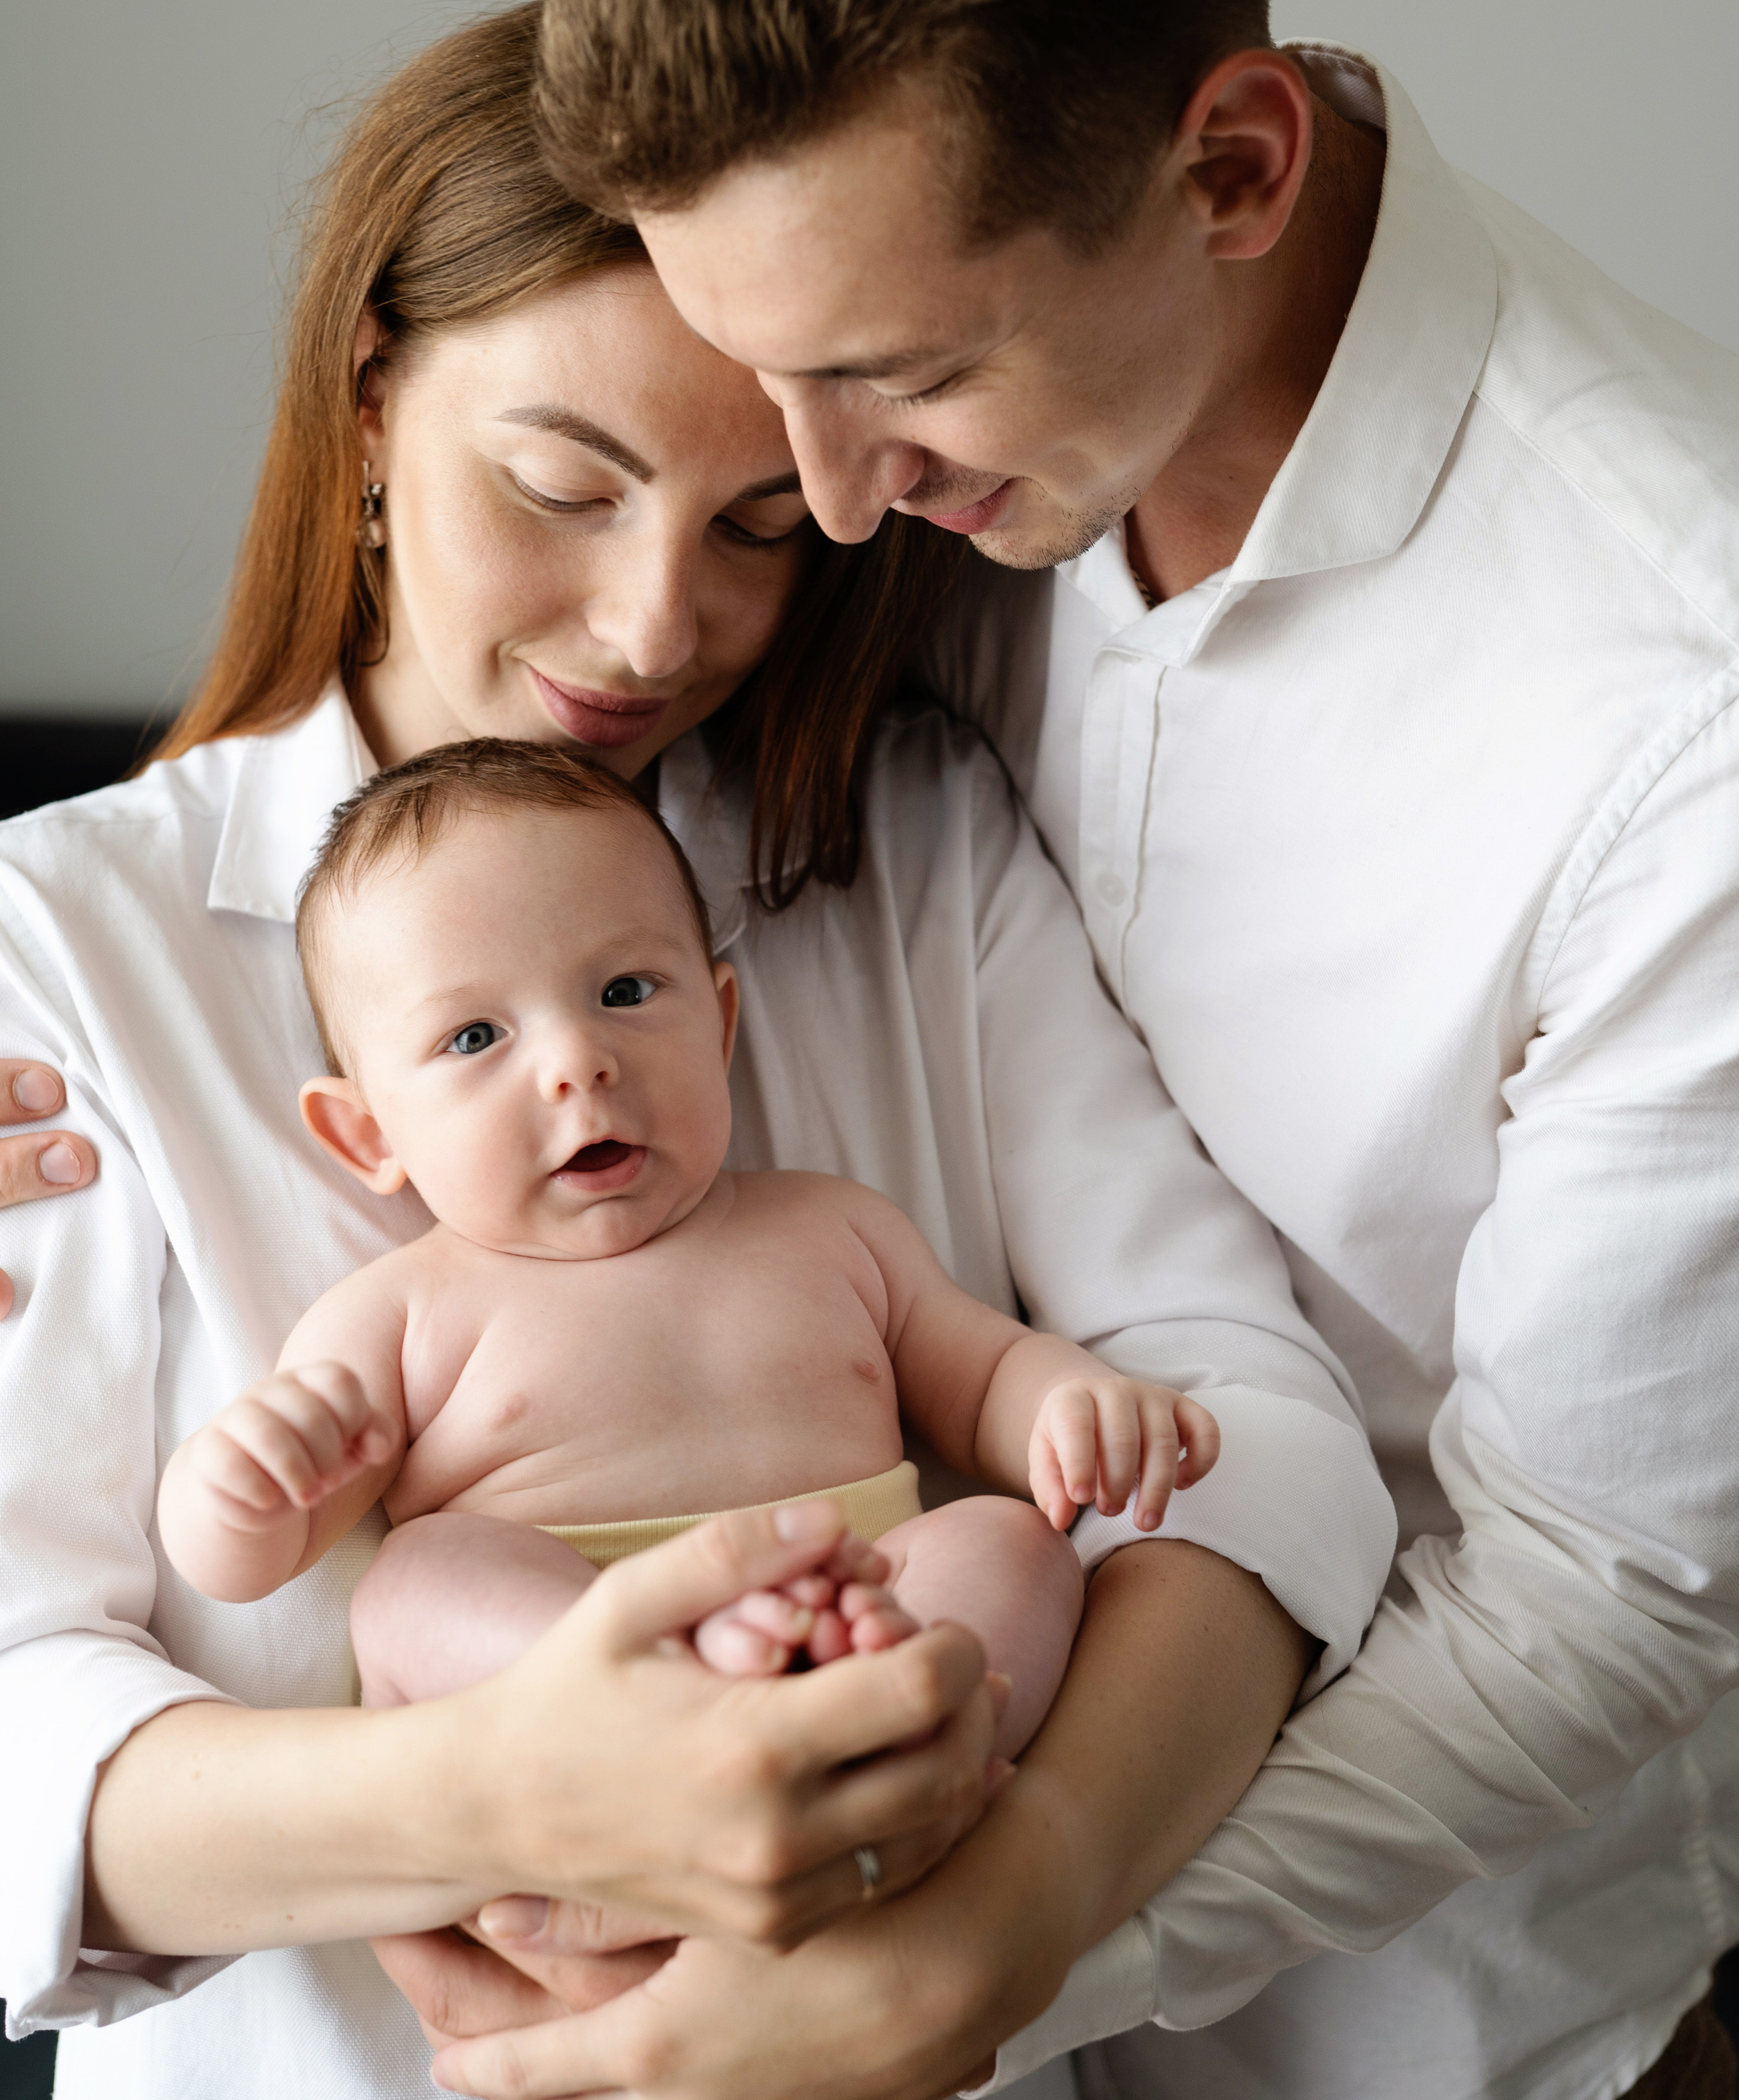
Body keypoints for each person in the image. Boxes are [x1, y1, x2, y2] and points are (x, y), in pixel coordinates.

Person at [493, 0, 1739, 2100]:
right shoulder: (913, 462)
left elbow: (1603, 1585)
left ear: (1231, 164)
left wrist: (995, 1944)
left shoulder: (1705, 694)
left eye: (896, 385)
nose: (822, 511)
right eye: (774, 387)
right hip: (842, 1887)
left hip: (1405, 2038)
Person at [0, 2, 1395, 2100]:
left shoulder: (911, 864)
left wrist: (995, 1924)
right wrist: (473, 1798)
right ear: (367, 401)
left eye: (761, 524)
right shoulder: (73, 949)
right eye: (560, 482)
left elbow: (1250, 1441)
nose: (661, 629)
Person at [163, 736, 1216, 1755]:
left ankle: (905, 1736)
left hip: (848, 1603)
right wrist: (236, 1489)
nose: (579, 1062)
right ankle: (668, 1702)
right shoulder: (396, 1313)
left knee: (1008, 1540)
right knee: (416, 1583)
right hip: (569, 1675)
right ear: (370, 1135)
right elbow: (252, 1563)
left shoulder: (835, 1230)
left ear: (718, 1027)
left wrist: (1069, 1402)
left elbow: (984, 1377)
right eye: (475, 1037)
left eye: (625, 992)